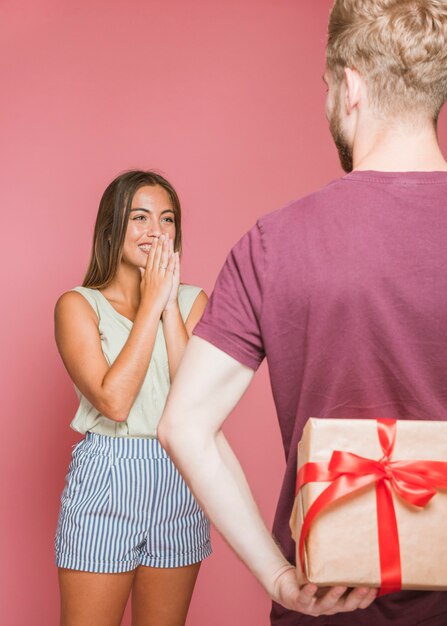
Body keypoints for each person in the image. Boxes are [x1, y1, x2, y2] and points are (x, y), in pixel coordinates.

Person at [157, 1, 447, 624]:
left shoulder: (274, 242)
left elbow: (184, 425)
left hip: (326, 608)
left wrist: (279, 576)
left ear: (350, 87)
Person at [54, 170, 211, 626]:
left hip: (179, 476)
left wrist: (167, 307)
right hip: (106, 476)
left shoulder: (193, 302)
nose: (156, 231)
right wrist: (150, 304)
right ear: (111, 227)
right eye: (139, 217)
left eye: (167, 219)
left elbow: (192, 405)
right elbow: (115, 402)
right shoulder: (78, 305)